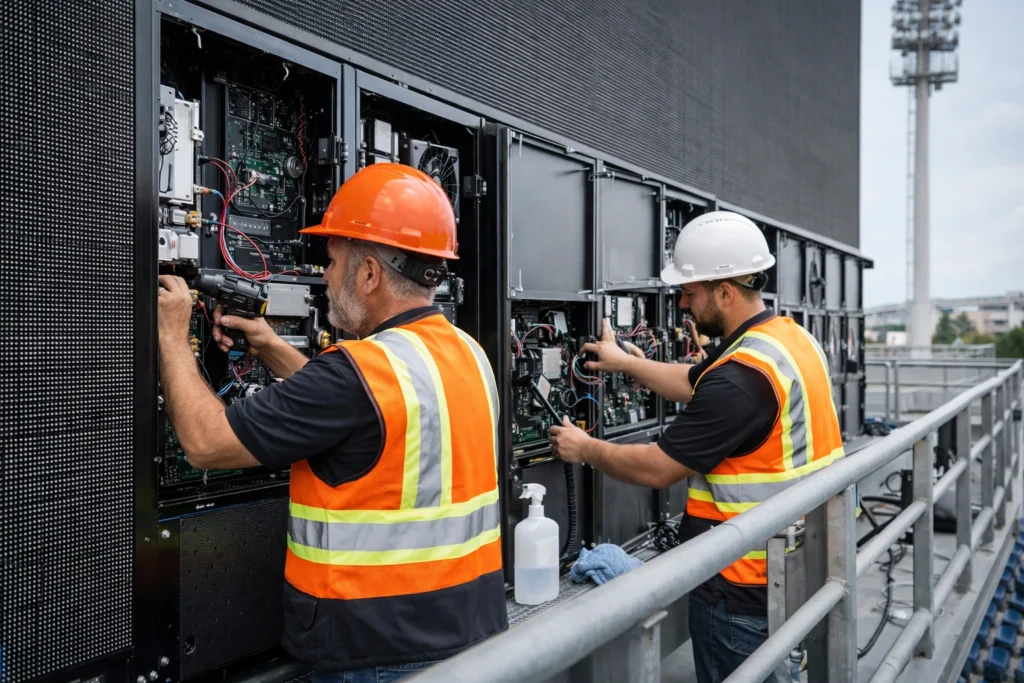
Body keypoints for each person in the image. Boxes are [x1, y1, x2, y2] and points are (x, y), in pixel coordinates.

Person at [157, 163, 507, 682]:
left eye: (333, 261)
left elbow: (206, 444)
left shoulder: (357, 372)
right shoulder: (467, 354)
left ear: (369, 274)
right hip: (471, 636)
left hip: (376, 653)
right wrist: (274, 347)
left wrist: (170, 333)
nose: (324, 275)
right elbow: (372, 417)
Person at [548, 210, 844, 683]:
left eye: (690, 292)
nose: (682, 304)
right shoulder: (787, 340)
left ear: (724, 291)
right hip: (796, 565)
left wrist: (585, 449)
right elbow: (694, 381)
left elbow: (657, 468)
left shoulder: (742, 379)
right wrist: (625, 363)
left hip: (740, 590)